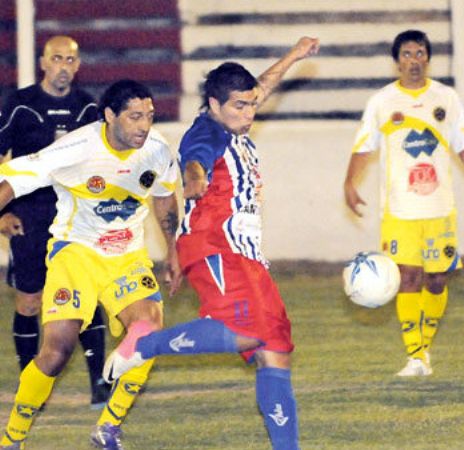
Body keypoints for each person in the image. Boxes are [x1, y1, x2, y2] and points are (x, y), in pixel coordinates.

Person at [102, 37, 319, 450]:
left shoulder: (235, 119)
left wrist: (293, 55)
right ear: (214, 105)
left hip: (247, 256)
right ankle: (145, 344)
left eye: (251, 104)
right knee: (246, 333)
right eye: (240, 106)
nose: (249, 112)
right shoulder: (207, 130)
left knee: (275, 350)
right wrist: (195, 179)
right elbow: (195, 160)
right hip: (215, 246)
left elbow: (260, 87)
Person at [0, 79, 181, 450]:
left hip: (127, 257)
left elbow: (164, 196)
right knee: (56, 352)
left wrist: (173, 250)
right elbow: (13, 183)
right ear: (110, 115)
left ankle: (108, 428)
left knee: (148, 332)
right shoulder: (77, 147)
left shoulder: (157, 149)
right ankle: (12, 437)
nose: (144, 125)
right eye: (134, 117)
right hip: (76, 254)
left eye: (149, 116)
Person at [343, 30, 464, 377]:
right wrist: (349, 182)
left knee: (437, 279)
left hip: (440, 208)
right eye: (407, 54)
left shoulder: (446, 98)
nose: (414, 60)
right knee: (408, 276)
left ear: (428, 58)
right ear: (397, 62)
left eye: (420, 53)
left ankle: (424, 346)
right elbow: (364, 146)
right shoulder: (382, 102)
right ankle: (416, 355)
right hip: (400, 209)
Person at [0, 35, 110, 409]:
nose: (63, 66)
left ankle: (99, 383)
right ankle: (31, 383)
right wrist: (2, 213)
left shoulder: (88, 107)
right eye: (57, 58)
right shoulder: (20, 104)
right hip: (29, 216)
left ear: (78, 65)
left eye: (70, 60)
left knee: (85, 296)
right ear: (44, 63)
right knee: (30, 301)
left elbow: (103, 163)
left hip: (75, 216)